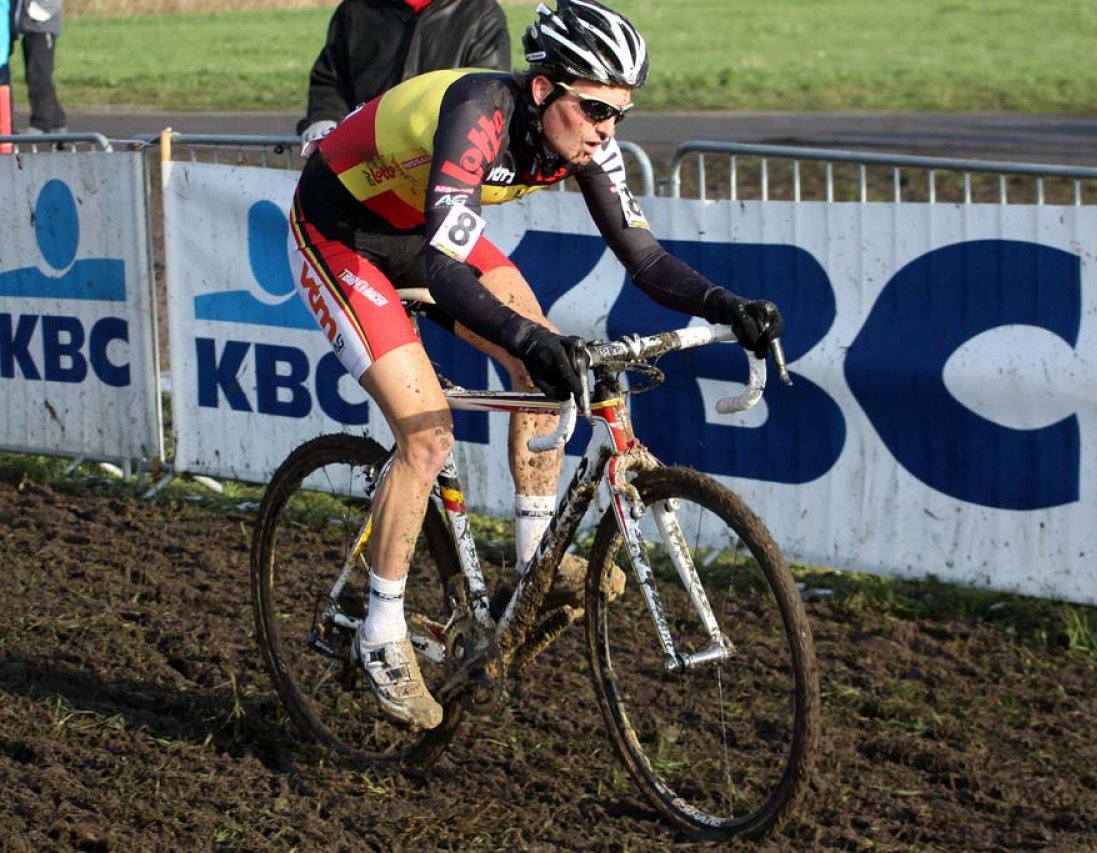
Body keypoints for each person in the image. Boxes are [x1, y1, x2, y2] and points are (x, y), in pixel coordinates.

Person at [288, 0, 783, 729]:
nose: (607, 130)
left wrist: (723, 303)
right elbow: (445, 268)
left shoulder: (584, 139)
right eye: (593, 109)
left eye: (620, 114)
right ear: (546, 88)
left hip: (420, 230)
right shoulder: (480, 112)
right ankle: (381, 634)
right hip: (343, 234)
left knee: (549, 362)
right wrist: (528, 342)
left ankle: (533, 563)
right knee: (428, 435)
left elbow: (642, 257)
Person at [297, 0, 511, 156]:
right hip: (363, 169)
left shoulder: (481, 15)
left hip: (439, 170)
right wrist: (324, 117)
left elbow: (486, 97)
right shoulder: (356, 10)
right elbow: (330, 80)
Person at [12, 0, 65, 134]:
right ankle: (57, 121)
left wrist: (34, 12)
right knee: (35, 76)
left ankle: (41, 123)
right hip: (30, 28)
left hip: (42, 28)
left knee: (39, 76)